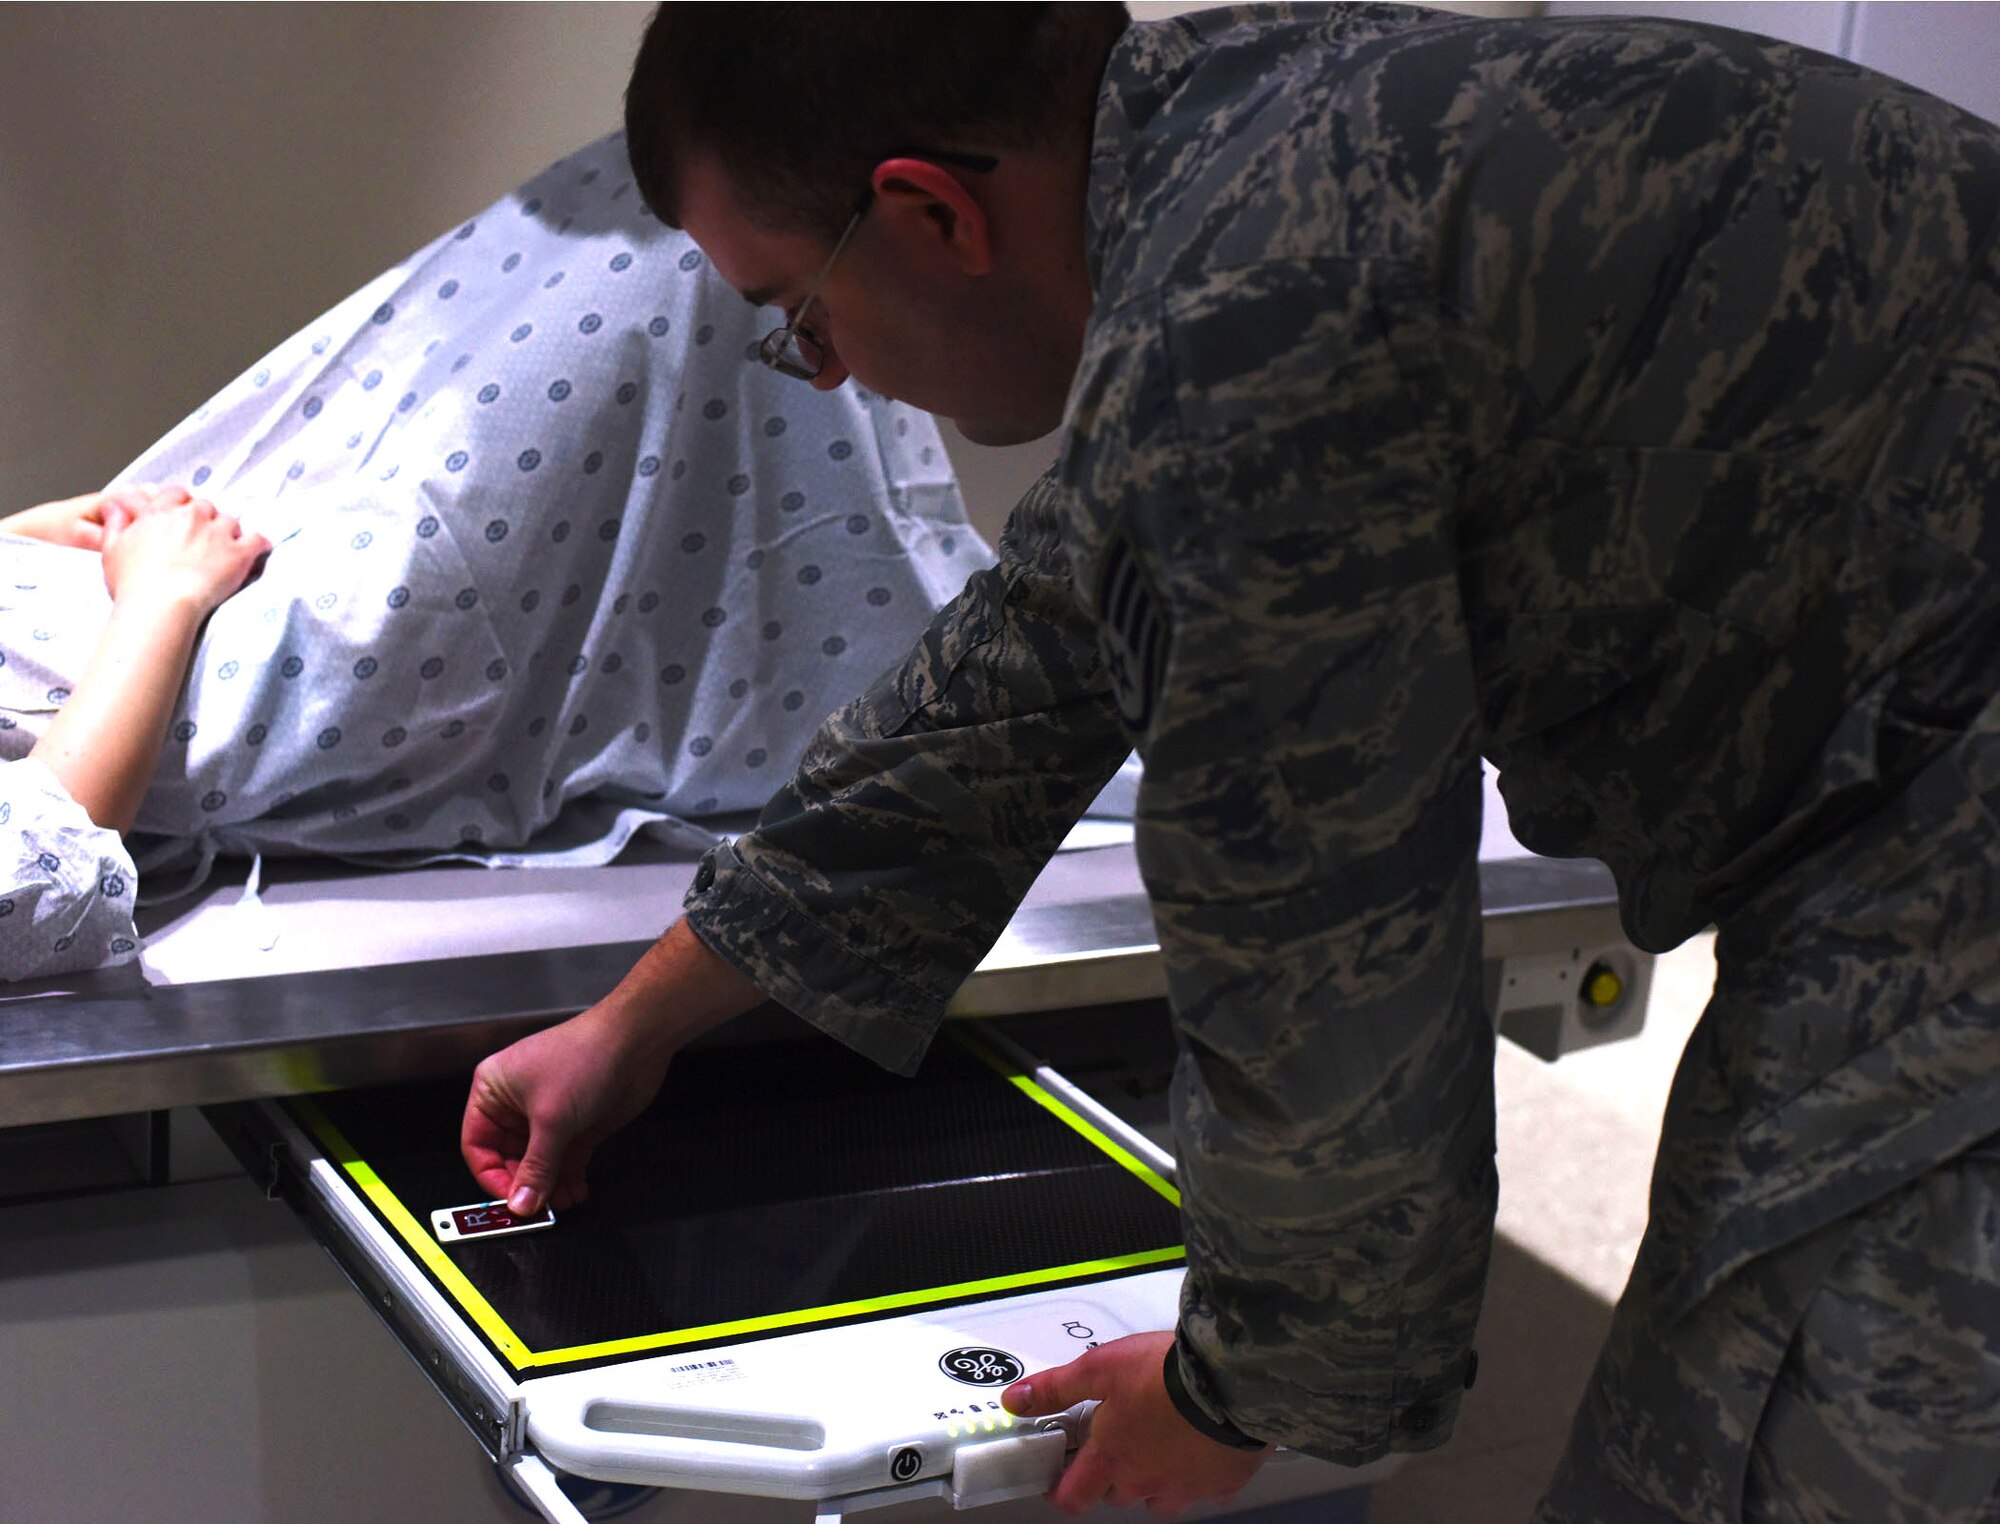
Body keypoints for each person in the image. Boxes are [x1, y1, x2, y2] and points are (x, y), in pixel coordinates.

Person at [459, 7, 2000, 1521]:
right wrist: (639, 1018)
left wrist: (1237, 1392)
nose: (835, 370)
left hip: (1955, 848)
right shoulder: (1251, 131)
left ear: (931, 212)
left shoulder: (1239, 344)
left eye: (803, 315)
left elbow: (1318, 955)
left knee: (1764, 1450)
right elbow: (1020, 672)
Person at [1, 130, 990, 983]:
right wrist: (160, 601)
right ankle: (949, 687)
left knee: (661, 197)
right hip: (249, 644)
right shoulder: (170, 607)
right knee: (685, 266)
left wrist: (25, 537)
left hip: (183, 561)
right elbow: (36, 882)